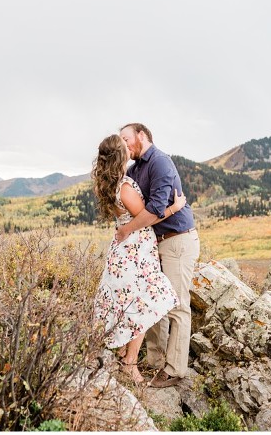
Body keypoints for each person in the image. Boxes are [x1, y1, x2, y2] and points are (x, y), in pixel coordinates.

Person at [92, 134, 185, 385]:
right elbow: (146, 217)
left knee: (132, 302)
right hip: (135, 251)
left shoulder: (109, 183)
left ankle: (124, 351)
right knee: (145, 304)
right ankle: (130, 364)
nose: (130, 149)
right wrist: (175, 208)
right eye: (125, 148)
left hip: (127, 250)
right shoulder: (124, 186)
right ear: (120, 156)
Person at [116, 123, 200, 389]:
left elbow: (155, 206)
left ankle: (175, 369)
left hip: (177, 241)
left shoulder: (160, 162)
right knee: (153, 302)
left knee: (176, 305)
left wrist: (127, 229)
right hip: (155, 244)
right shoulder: (134, 168)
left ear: (141, 135)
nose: (124, 145)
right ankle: (154, 362)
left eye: (127, 139)